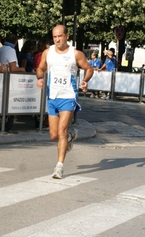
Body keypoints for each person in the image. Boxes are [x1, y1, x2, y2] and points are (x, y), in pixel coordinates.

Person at [36, 25, 93, 179]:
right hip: (52, 97)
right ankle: (69, 138)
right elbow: (40, 68)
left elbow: (89, 68)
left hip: (68, 96)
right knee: (54, 135)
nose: (57, 39)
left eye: (60, 36)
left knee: (62, 130)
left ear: (67, 36)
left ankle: (59, 167)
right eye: (54, 37)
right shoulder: (48, 53)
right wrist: (40, 78)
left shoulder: (75, 54)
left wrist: (85, 81)